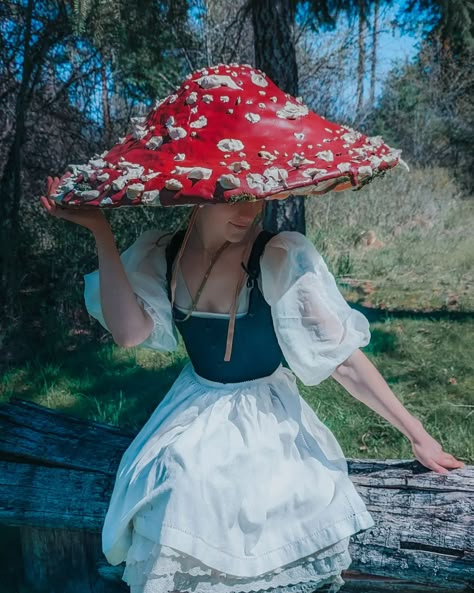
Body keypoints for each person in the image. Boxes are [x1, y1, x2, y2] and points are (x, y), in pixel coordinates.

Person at [40, 176, 464, 593]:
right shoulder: (164, 252)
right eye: (234, 199)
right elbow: (129, 333)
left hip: (264, 412)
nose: (250, 211)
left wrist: (418, 435)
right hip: (194, 404)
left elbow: (344, 362)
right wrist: (101, 231)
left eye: (258, 198)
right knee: (179, 483)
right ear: (198, 196)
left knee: (258, 503)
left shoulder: (276, 256)